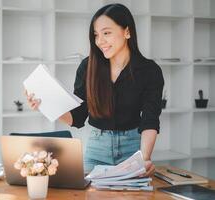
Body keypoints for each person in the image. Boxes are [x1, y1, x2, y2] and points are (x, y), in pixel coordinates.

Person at [25, 3, 164, 177]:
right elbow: (77, 117)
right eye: (96, 35)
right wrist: (44, 105)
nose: (100, 41)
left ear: (127, 32)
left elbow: (150, 119)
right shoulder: (88, 67)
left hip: (133, 149)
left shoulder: (150, 70)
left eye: (106, 33)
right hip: (97, 149)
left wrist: (145, 157)